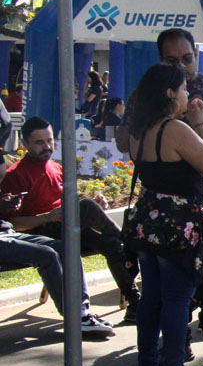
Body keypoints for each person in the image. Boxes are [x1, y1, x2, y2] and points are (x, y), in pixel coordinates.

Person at [116, 27, 203, 366]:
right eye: (173, 61)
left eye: (187, 59)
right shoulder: (150, 94)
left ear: (196, 54)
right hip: (169, 203)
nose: (183, 67)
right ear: (161, 61)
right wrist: (160, 120)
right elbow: (125, 139)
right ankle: (176, 347)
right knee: (171, 286)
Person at [126, 63, 203, 366]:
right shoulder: (175, 129)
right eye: (183, 89)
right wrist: (200, 125)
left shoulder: (139, 130)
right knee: (177, 296)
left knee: (152, 294)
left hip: (148, 219)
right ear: (170, 93)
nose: (187, 94)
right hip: (177, 223)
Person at [1, 116, 141, 320]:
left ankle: (135, 303)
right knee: (86, 208)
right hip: (43, 231)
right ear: (25, 144)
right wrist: (46, 217)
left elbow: (69, 204)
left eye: (49, 141)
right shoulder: (15, 175)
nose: (47, 147)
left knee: (110, 243)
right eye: (39, 142)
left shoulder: (57, 168)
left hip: (69, 227)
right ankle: (128, 243)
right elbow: (13, 224)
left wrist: (96, 201)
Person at [0, 160, 113, 336]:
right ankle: (73, 317)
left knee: (66, 247)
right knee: (46, 254)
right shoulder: (19, 172)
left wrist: (4, 206)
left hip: (6, 231)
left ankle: (82, 311)